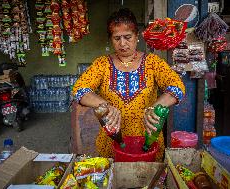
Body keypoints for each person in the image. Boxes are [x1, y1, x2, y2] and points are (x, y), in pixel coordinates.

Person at [72, 8, 185, 161]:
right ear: (111, 39)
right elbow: (79, 90)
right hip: (112, 140)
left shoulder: (152, 62)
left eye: (127, 37)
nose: (122, 43)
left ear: (137, 37)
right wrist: (105, 105)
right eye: (117, 38)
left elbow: (177, 87)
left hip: (148, 140)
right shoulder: (102, 64)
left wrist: (155, 107)